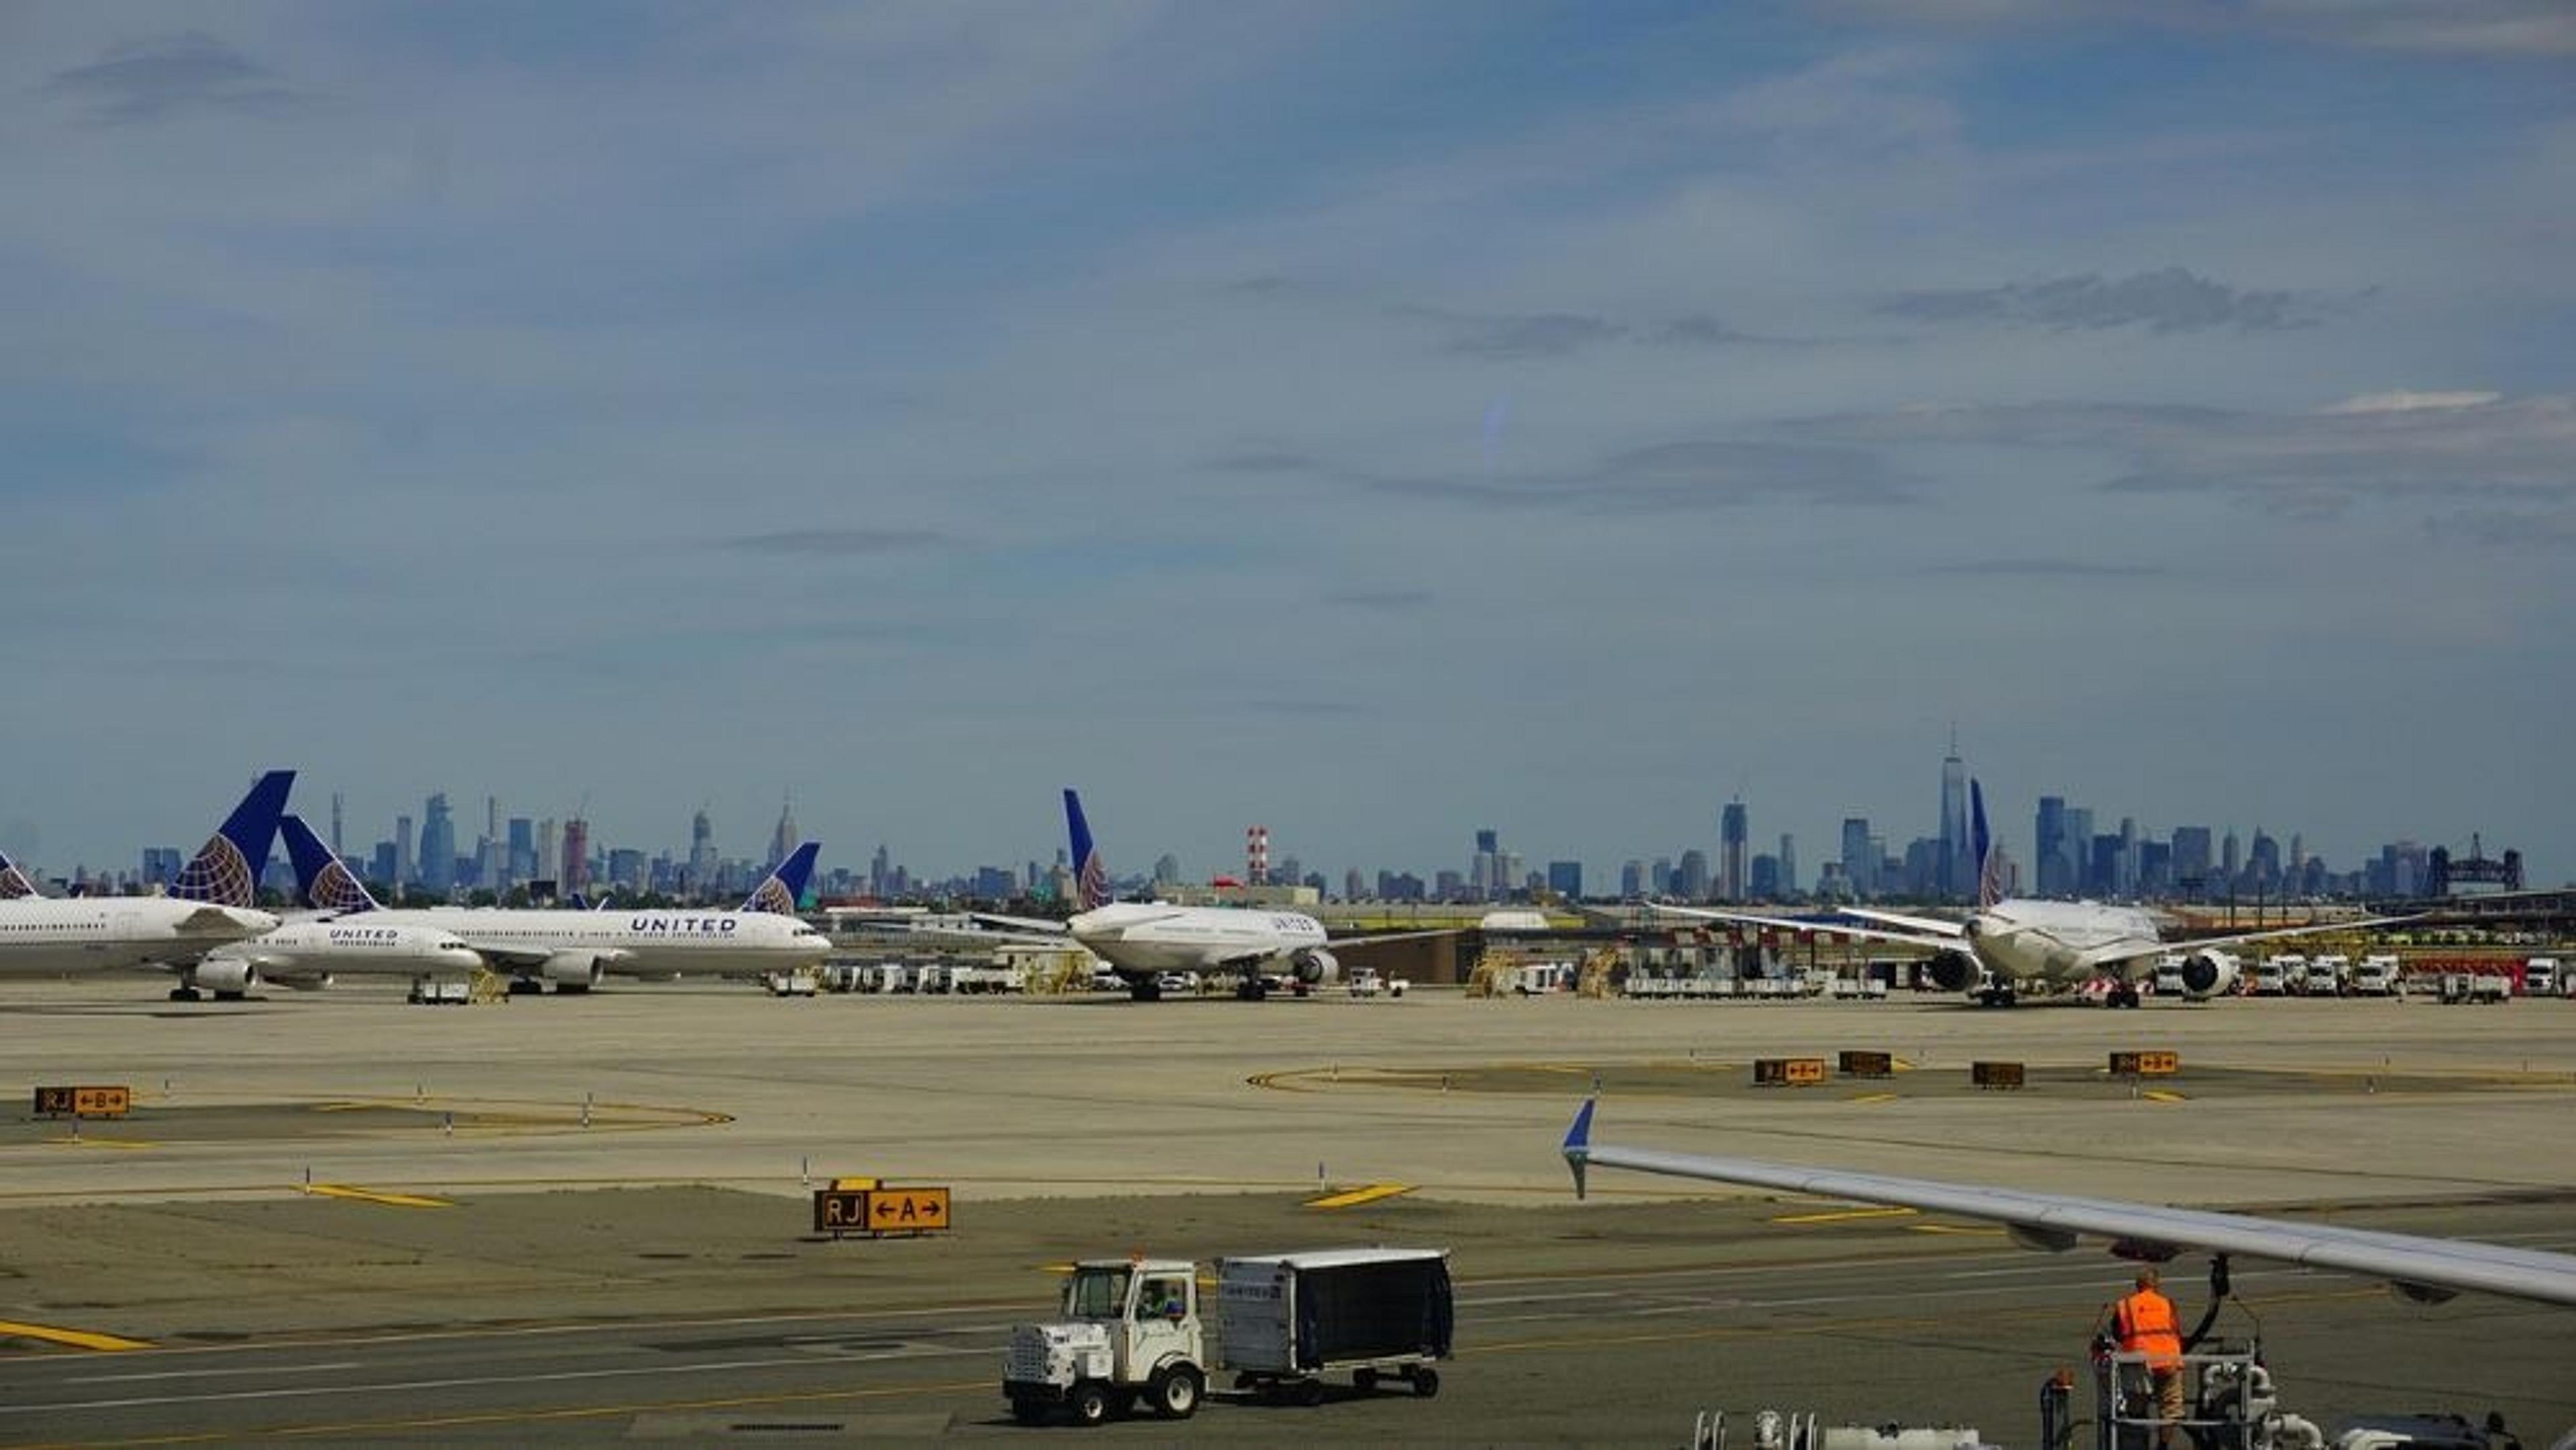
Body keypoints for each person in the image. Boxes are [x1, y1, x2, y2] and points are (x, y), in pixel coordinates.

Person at [2100, 1266, 2184, 1449]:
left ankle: (2136, 1444)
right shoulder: (2168, 1303)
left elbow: (2117, 1334)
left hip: (2140, 1363)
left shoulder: (2126, 1305)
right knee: (2170, 1410)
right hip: (2169, 1362)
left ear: (2138, 1286)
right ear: (2157, 1285)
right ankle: (2163, 1446)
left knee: (2136, 1408)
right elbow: (2177, 1331)